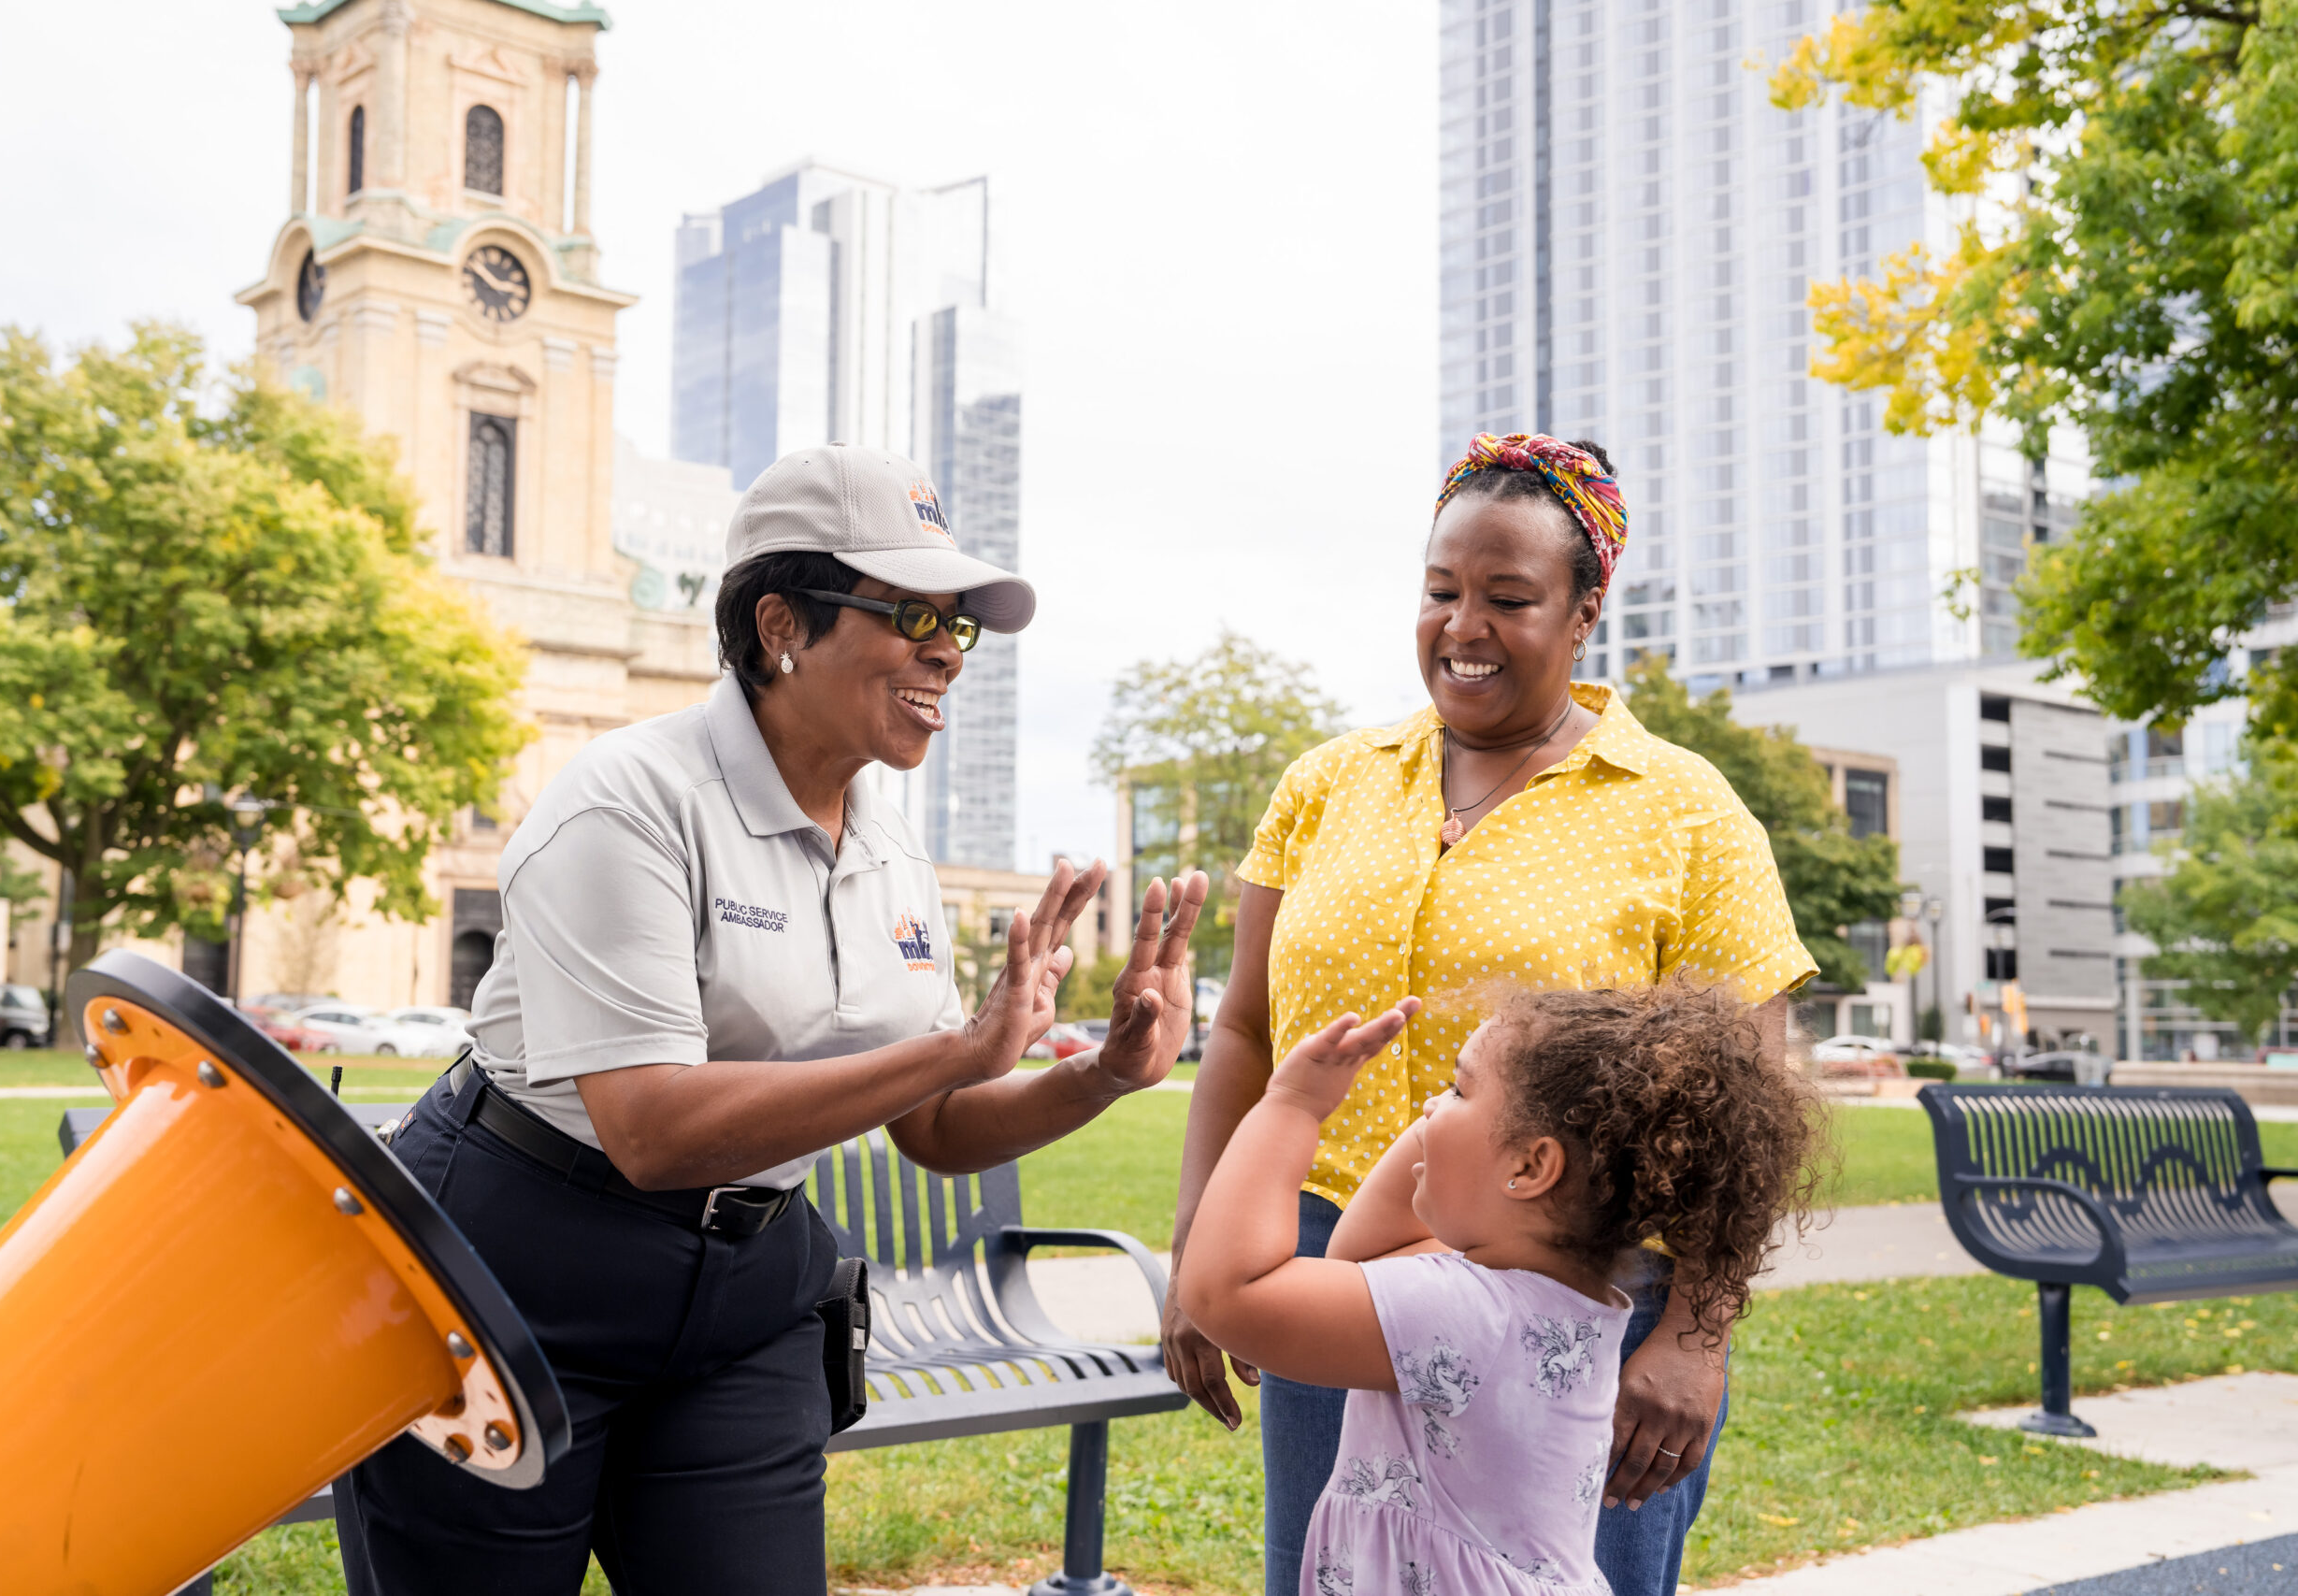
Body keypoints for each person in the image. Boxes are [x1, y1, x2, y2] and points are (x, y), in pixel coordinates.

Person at [335, 442, 1210, 1594]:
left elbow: (937, 1127)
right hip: (510, 1277)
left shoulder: (891, 844)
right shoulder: (627, 801)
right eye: (907, 613)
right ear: (780, 625)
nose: (945, 649)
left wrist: (1097, 1073)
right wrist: (954, 1048)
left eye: (958, 624)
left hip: (746, 1302)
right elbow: (648, 1130)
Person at [1160, 432, 1820, 1596]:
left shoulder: (1686, 812)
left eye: (1508, 598)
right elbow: (1245, 1034)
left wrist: (1696, 1336)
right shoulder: (1327, 782)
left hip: (1576, 1298)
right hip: (1330, 1266)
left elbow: (1735, 1119)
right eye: (1439, 591)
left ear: (1583, 611)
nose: (1462, 627)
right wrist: (1195, 1249)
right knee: (1339, 1571)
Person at [1178, 979, 1820, 1596]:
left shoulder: (1465, 1314)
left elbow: (1226, 1292)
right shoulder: (1565, 1304)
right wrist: (1455, 1114)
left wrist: (1291, 1105)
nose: (1429, 1106)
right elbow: (1363, 1256)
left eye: (1455, 1090)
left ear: (1532, 1165)